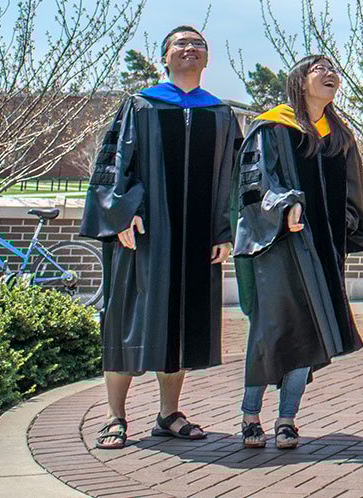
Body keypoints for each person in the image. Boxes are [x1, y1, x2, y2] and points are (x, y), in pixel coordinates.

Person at [80, 25, 242, 451]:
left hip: (195, 239)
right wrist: (121, 213)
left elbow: (234, 178)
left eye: (198, 44)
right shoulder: (140, 105)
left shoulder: (220, 114)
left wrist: (224, 231)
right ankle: (115, 416)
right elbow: (113, 162)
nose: (190, 49)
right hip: (144, 235)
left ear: (206, 59)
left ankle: (168, 414)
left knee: (180, 325)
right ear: (165, 57)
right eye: (180, 44)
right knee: (129, 321)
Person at [232, 55, 363, 451]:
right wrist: (286, 205)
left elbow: (351, 190)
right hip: (278, 245)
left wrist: (345, 221)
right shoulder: (273, 127)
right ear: (299, 80)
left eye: (334, 70)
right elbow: (256, 183)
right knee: (271, 329)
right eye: (320, 69)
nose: (330, 75)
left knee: (309, 332)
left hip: (324, 249)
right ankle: (249, 414)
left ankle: (286, 419)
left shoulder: (338, 135)